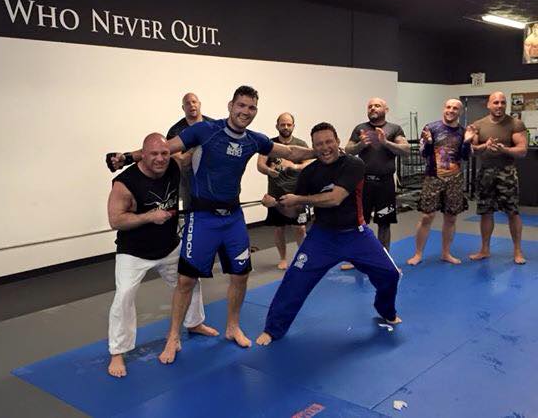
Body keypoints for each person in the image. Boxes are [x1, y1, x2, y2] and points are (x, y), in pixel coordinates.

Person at [107, 86, 315, 363]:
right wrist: (127, 157)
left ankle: (232, 327)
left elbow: (290, 150)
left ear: (256, 111)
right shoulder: (205, 130)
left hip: (233, 218)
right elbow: (163, 148)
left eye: (251, 107)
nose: (245, 111)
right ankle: (173, 337)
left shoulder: (254, 140)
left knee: (240, 275)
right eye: (241, 105)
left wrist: (322, 151)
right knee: (186, 280)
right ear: (230, 106)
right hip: (202, 217)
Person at [256, 122, 401, 346]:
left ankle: (386, 310)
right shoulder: (309, 173)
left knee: (390, 274)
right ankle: (273, 329)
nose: (325, 148)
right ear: (313, 147)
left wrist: (299, 198)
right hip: (322, 237)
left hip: (356, 234)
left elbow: (335, 198)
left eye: (328, 142)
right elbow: (294, 211)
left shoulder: (354, 164)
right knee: (294, 281)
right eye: (319, 144)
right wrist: (276, 204)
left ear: (337, 141)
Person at [106, 133, 217, 378]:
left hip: (168, 246)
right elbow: (115, 220)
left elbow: (189, 151)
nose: (160, 159)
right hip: (134, 252)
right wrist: (149, 216)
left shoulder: (174, 165)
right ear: (143, 155)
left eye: (164, 153)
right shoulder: (125, 183)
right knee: (124, 296)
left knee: (190, 280)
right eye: (154, 154)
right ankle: (118, 351)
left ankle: (194, 322)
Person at [406, 99, 475, 266]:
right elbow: (423, 154)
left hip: (455, 179)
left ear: (460, 112)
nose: (451, 110)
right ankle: (418, 253)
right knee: (427, 216)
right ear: (444, 109)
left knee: (451, 217)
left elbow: (465, 157)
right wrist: (429, 143)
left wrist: (467, 142)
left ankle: (446, 253)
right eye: (448, 107)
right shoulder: (431, 128)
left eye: (455, 108)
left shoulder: (463, 131)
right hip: (433, 177)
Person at [344, 98, 410, 264]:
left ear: (386, 109)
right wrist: (361, 144)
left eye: (377, 105)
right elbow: (348, 150)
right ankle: (359, 258)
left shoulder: (394, 129)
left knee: (384, 223)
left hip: (385, 184)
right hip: (363, 184)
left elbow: (405, 150)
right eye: (370, 106)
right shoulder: (360, 128)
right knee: (360, 223)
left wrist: (385, 142)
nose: (373, 108)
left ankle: (383, 260)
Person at [469, 91, 528, 264]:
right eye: (496, 102)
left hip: (507, 172)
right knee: (486, 212)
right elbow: (472, 150)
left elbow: (522, 150)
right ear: (488, 104)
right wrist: (484, 146)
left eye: (503, 102)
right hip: (485, 172)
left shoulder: (515, 123)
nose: (499, 105)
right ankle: (484, 249)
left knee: (512, 211)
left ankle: (517, 251)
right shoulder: (478, 125)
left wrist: (505, 150)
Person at [257, 112, 311, 269]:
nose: (286, 127)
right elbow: (260, 165)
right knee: (279, 228)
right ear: (277, 126)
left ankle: (303, 257)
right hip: (275, 194)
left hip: (297, 195)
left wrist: (294, 166)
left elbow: (310, 163)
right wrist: (270, 171)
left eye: (289, 124)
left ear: (293, 126)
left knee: (300, 228)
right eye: (283, 124)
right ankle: (283, 259)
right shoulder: (269, 144)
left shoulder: (300, 144)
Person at [166, 93, 214, 210]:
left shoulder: (213, 125)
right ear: (183, 108)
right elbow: (179, 161)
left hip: (212, 176)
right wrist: (197, 148)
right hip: (188, 180)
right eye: (187, 103)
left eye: (194, 102)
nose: (192, 105)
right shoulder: (175, 131)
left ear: (199, 104)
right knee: (191, 210)